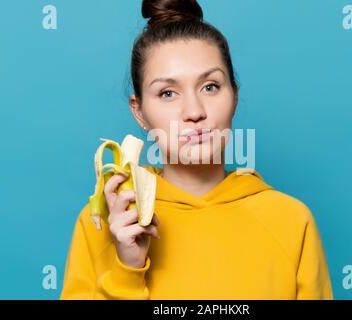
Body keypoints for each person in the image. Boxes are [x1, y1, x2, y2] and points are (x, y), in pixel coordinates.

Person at [60, 0, 333, 300]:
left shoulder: (292, 222)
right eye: (167, 93)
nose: (194, 111)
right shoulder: (103, 222)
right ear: (139, 112)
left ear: (235, 95)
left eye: (210, 86)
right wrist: (127, 270)